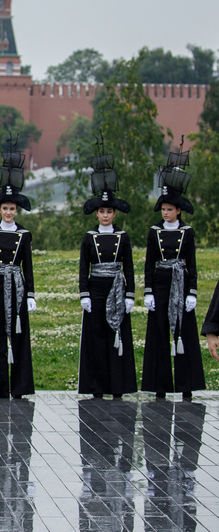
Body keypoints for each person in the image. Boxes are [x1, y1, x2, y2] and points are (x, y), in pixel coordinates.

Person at [142, 149, 205, 398]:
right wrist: (148, 290)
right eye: (163, 209)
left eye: (170, 209)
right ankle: (160, 386)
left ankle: (186, 385)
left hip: (180, 282)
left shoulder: (187, 232)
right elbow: (149, 263)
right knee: (158, 332)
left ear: (179, 210)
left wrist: (192, 292)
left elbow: (192, 263)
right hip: (160, 284)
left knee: (184, 331)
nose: (166, 213)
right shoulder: (154, 232)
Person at [77, 146, 137, 398]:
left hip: (116, 288)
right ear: (97, 213)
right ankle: (96, 387)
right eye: (101, 211)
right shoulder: (89, 238)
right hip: (96, 288)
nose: (105, 215)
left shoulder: (122, 237)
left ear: (114, 213)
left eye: (109, 211)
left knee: (117, 338)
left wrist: (131, 294)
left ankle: (117, 387)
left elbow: (129, 267)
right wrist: (84, 294)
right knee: (97, 338)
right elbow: (83, 267)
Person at [0, 144, 36, 399]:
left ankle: (20, 387)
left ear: (17, 210)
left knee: (20, 333)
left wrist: (31, 294)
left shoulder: (24, 234)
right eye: (5, 209)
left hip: (18, 285)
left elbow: (28, 266)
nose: (9, 212)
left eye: (13, 209)